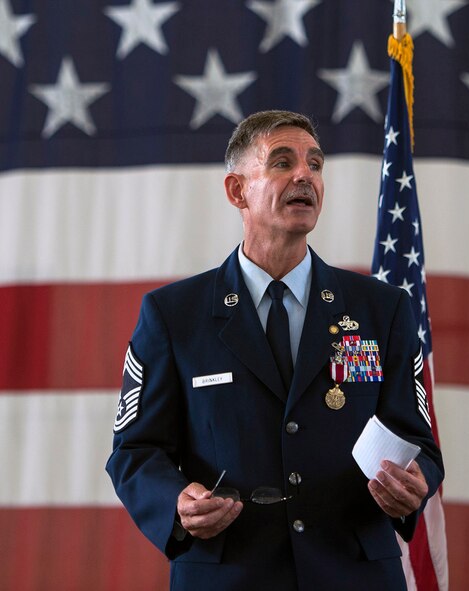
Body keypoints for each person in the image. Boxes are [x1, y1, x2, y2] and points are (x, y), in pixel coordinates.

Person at [106, 110, 444, 590]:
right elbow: (135, 451)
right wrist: (177, 502)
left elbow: (422, 444)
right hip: (230, 575)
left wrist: (417, 484)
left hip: (352, 572)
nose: (305, 175)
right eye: (283, 162)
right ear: (237, 190)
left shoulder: (382, 310)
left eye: (315, 164)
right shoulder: (174, 315)